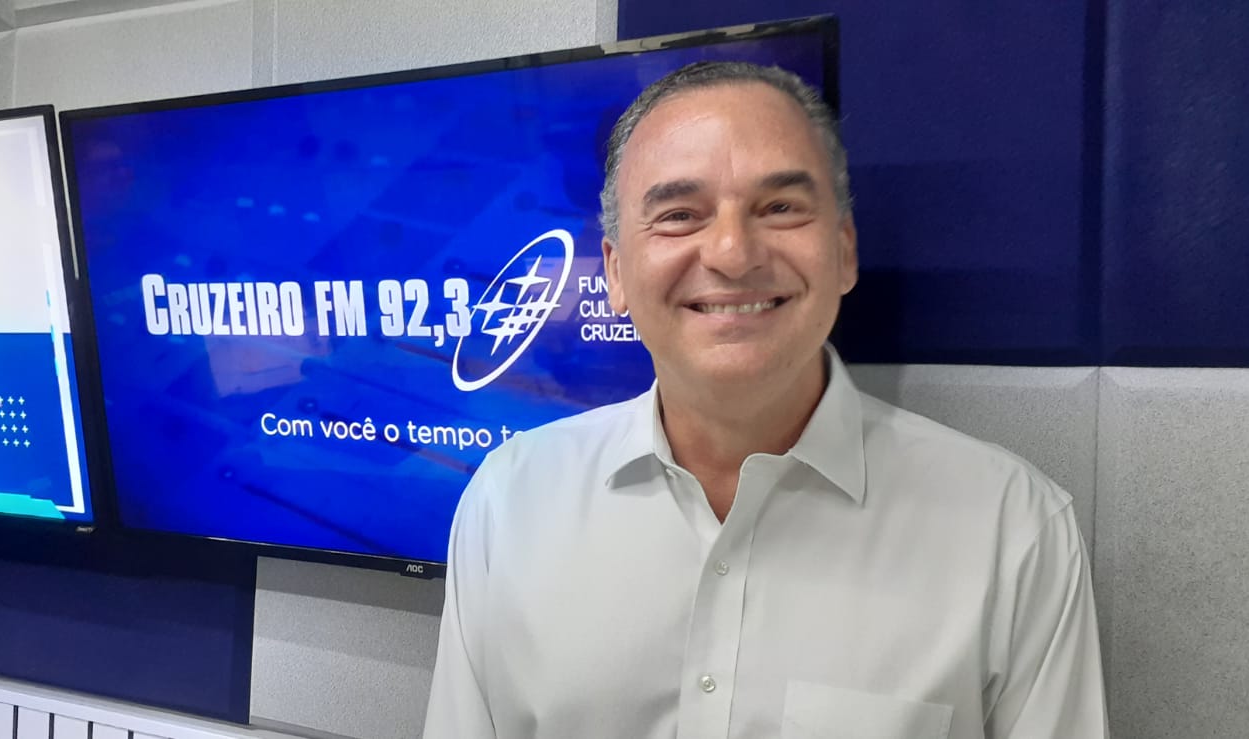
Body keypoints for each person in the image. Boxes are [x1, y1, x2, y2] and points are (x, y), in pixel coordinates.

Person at [423, 61, 1109, 739]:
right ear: (616, 272)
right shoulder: (508, 504)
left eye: (779, 207)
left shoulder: (1012, 532)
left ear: (844, 251)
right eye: (679, 215)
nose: (732, 252)